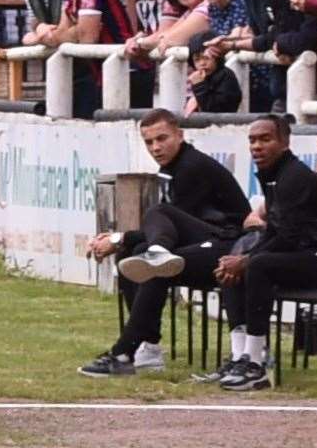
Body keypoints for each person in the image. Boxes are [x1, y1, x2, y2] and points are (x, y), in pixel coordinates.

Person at [79, 107, 253, 377]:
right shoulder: (171, 167)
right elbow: (167, 229)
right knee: (134, 255)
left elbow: (172, 221)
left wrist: (118, 237)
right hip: (202, 242)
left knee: (155, 252)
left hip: (228, 248)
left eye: (162, 139)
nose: (156, 147)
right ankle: (148, 348)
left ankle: (123, 352)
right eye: (149, 142)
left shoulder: (191, 167)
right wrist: (122, 241)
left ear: (180, 135)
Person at [212, 114, 317, 391]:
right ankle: (240, 357)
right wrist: (240, 261)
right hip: (312, 254)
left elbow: (289, 236)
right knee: (238, 262)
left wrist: (247, 261)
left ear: (284, 143)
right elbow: (275, 232)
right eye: (253, 140)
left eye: (265, 139)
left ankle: (256, 365)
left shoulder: (294, 176)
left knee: (256, 265)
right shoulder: (275, 176)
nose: (257, 146)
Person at [120, 0, 183, 107]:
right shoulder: (141, 1)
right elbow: (148, 33)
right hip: (160, 73)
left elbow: (164, 34)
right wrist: (139, 38)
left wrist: (138, 42)